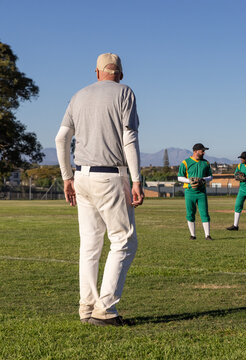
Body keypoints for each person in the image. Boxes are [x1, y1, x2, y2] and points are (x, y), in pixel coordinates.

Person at [55, 53, 143, 326]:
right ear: (120, 74)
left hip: (81, 176)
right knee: (124, 240)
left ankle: (87, 307)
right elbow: (129, 137)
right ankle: (105, 308)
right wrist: (137, 179)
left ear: (97, 72)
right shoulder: (124, 92)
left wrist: (67, 177)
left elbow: (61, 138)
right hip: (111, 175)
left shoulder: (78, 95)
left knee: (90, 245)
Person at [177, 143, 214, 240]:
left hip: (201, 192)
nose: (204, 153)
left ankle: (207, 235)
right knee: (190, 213)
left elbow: (210, 177)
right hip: (190, 191)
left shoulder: (206, 163)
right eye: (202, 151)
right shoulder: (185, 162)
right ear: (195, 151)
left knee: (204, 213)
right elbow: (180, 177)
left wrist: (203, 180)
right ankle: (193, 235)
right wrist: (190, 180)